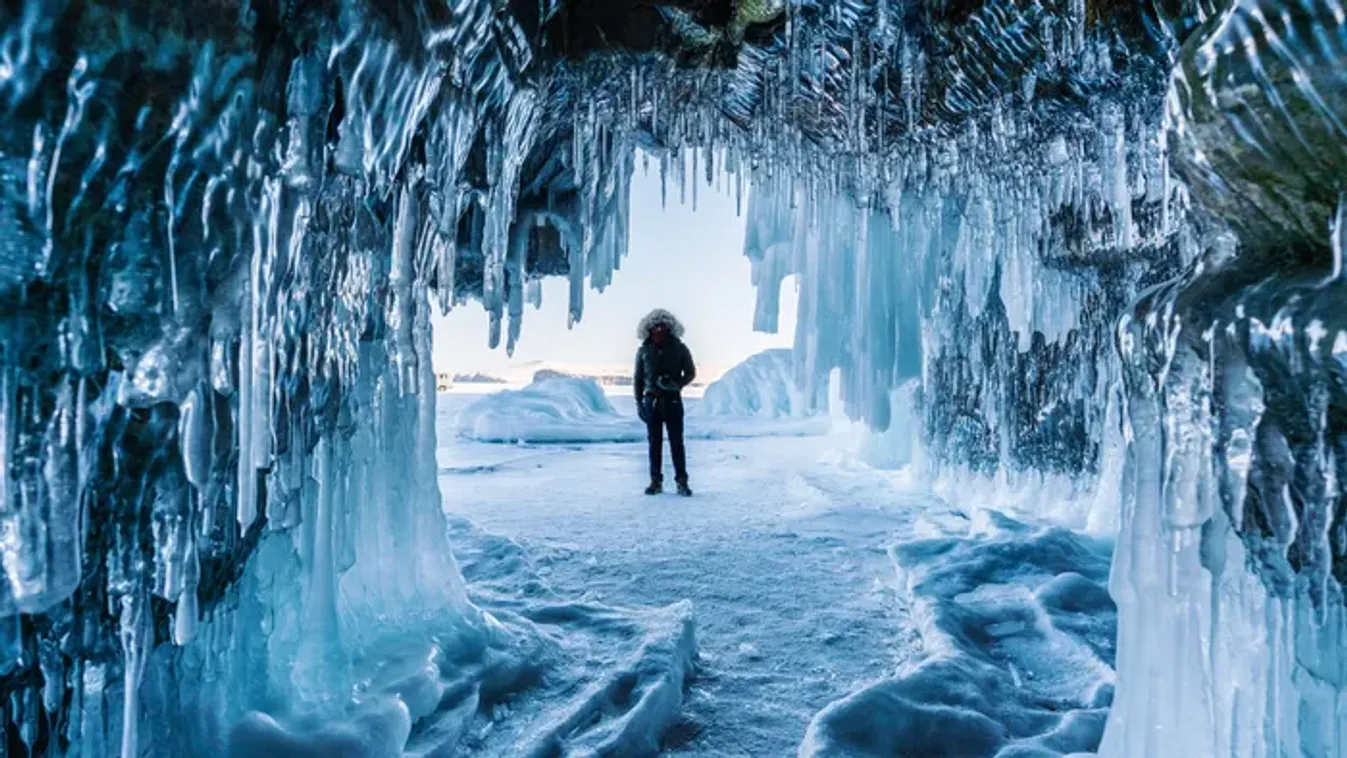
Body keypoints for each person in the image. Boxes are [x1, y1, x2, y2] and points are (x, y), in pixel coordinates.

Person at [634, 309, 696, 496]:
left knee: (677, 442)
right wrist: (639, 402)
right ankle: (655, 481)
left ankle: (682, 481)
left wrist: (676, 385)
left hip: (673, 401)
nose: (659, 329)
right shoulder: (644, 350)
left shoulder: (680, 348)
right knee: (654, 443)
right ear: (649, 329)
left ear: (670, 327)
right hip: (651, 401)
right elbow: (638, 377)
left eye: (663, 325)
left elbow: (691, 372)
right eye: (656, 326)